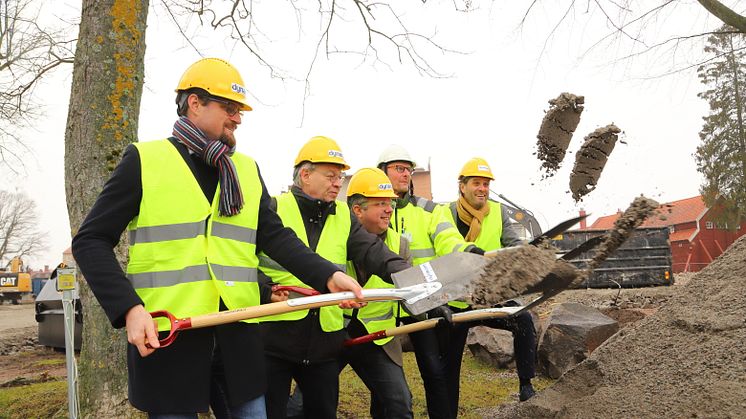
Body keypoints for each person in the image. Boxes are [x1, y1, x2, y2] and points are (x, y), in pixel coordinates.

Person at [71, 58, 364, 418]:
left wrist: (329, 276)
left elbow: (276, 237)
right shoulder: (145, 160)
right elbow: (91, 240)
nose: (238, 118)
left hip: (238, 338)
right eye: (229, 107)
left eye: (239, 110)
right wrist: (130, 309)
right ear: (195, 103)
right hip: (169, 335)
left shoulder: (245, 169)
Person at [258, 137, 410, 419]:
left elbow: (375, 252)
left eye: (340, 176)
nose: (338, 182)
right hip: (274, 340)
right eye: (330, 175)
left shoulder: (342, 215)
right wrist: (263, 289)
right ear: (305, 174)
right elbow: (242, 262)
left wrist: (413, 277)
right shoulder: (274, 209)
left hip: (323, 346)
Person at [377, 144, 482, 419]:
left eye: (408, 170)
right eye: (399, 168)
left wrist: (467, 252)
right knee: (381, 378)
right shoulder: (375, 210)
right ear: (382, 171)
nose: (405, 174)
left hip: (422, 304)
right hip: (382, 307)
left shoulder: (431, 211)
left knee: (434, 374)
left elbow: (449, 239)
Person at [441, 157, 538, 411]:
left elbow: (514, 243)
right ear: (462, 186)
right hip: (455, 302)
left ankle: (526, 385)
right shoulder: (446, 213)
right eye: (477, 183)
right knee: (449, 365)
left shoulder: (498, 212)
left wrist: (523, 254)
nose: (482, 189)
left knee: (523, 320)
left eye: (486, 184)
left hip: (487, 298)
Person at [341, 167, 414, 419]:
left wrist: (429, 304)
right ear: (357, 210)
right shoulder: (334, 239)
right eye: (380, 203)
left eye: (390, 203)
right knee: (302, 407)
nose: (389, 209)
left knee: (399, 405)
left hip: (378, 339)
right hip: (336, 334)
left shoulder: (399, 245)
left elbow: (408, 292)